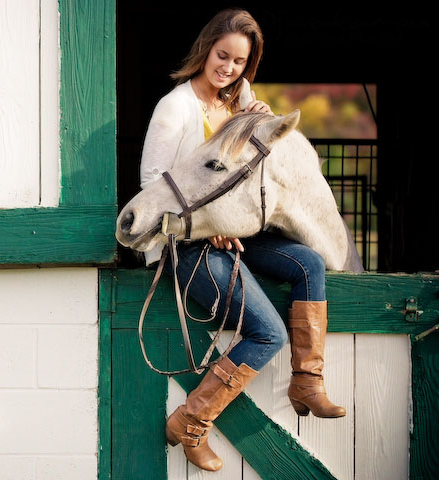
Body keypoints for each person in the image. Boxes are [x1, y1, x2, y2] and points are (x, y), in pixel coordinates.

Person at [138, 8, 345, 472]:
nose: (227, 68)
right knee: (267, 332)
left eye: (238, 61)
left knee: (308, 263)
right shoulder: (176, 106)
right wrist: (208, 226)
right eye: (222, 55)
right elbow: (152, 179)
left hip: (235, 238)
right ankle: (190, 423)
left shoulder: (239, 105)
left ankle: (307, 381)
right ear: (206, 49)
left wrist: (262, 121)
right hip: (188, 243)